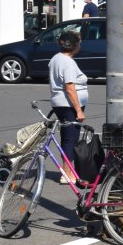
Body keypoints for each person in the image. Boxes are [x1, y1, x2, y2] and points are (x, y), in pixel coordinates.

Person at [48, 30, 87, 185]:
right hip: (68, 105)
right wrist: (78, 110)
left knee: (67, 137)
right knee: (71, 138)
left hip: (60, 103)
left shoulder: (56, 58)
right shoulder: (68, 62)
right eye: (79, 42)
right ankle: (68, 174)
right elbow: (70, 87)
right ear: (74, 45)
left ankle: (67, 171)